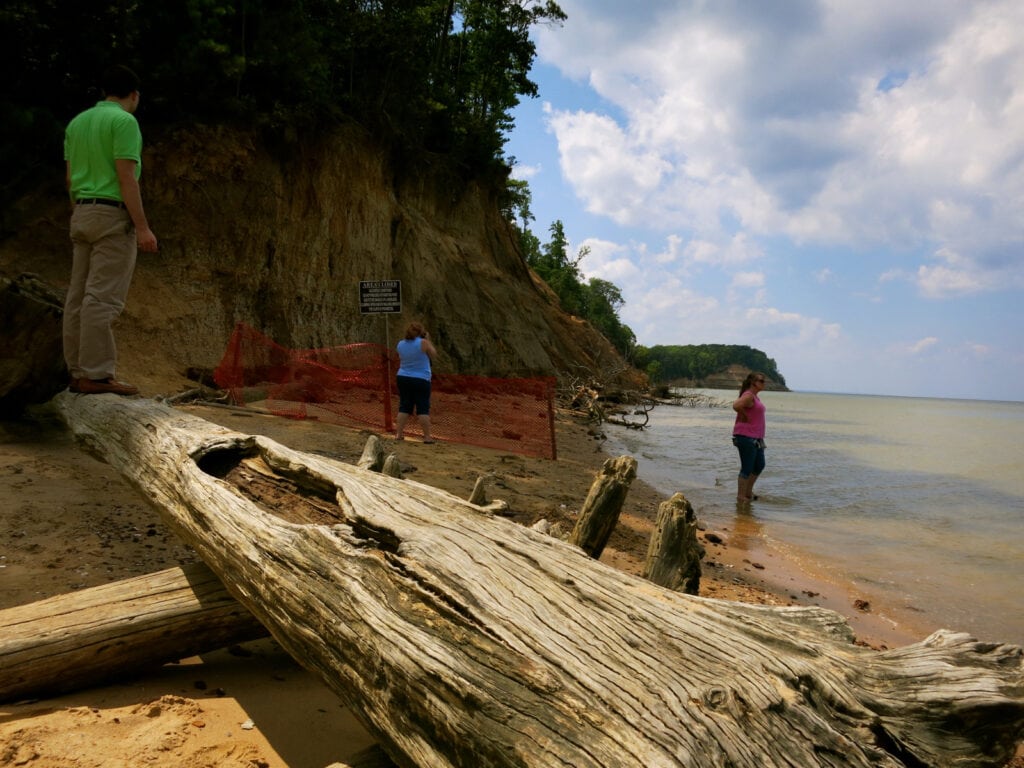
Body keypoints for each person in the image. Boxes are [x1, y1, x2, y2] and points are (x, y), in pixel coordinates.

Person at [63, 64, 158, 396]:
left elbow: (70, 177)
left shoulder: (77, 123)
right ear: (133, 95)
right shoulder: (124, 122)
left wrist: (80, 213)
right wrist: (143, 227)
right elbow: (126, 177)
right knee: (101, 299)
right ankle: (98, 375)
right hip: (111, 215)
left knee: (77, 298)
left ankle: (77, 372)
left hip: (82, 211)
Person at [395, 322, 438, 443]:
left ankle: (399, 434)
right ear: (421, 333)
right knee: (422, 407)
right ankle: (427, 437)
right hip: (421, 378)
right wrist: (428, 340)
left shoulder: (400, 344)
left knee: (404, 406)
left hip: (403, 376)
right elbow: (433, 354)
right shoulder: (423, 343)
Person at [732, 372, 767, 503]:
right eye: (761, 381)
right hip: (746, 436)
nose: (764, 383)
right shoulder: (748, 395)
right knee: (747, 467)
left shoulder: (755, 397)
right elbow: (736, 405)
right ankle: (741, 496)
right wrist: (744, 415)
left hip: (756, 437)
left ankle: (747, 492)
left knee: (759, 465)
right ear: (754, 383)